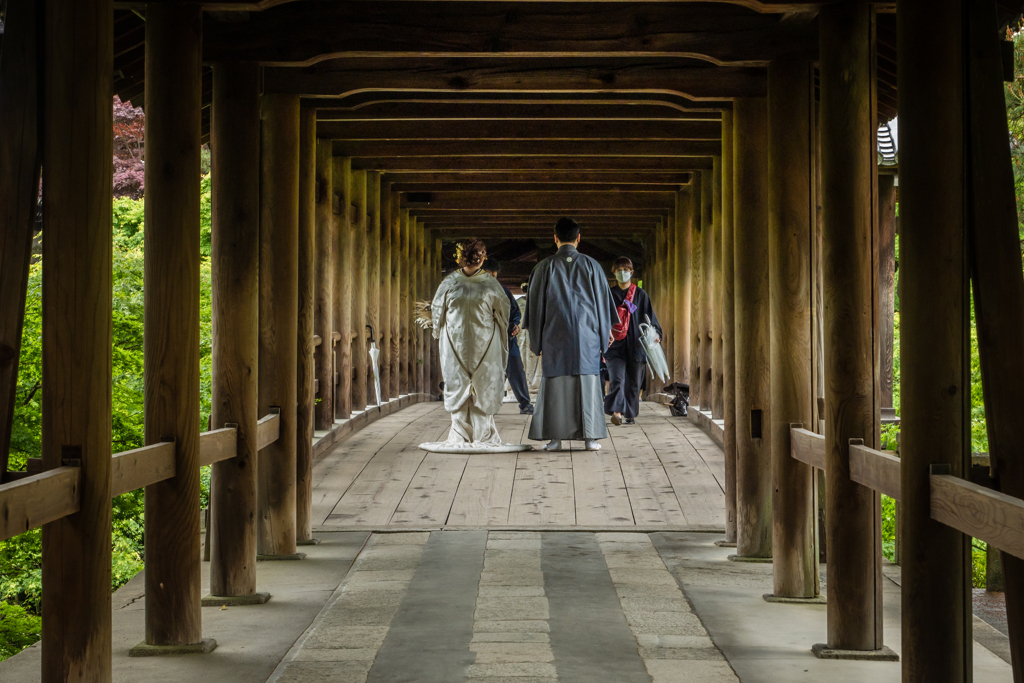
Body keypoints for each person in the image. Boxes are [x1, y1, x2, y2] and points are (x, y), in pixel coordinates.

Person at [524, 217, 618, 451]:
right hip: (587, 335)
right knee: (587, 383)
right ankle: (590, 438)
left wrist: (535, 341)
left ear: (555, 238)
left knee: (556, 385)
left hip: (554, 335)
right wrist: (605, 331)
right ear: (578, 238)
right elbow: (603, 304)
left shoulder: (543, 267)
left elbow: (535, 308)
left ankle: (555, 439)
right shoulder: (592, 266)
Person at [429, 240, 511, 446]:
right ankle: (474, 434)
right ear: (482, 257)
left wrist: (438, 331)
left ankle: (469, 433)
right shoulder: (489, 283)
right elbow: (503, 312)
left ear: (459, 257)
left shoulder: (449, 283)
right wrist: (501, 329)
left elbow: (438, 310)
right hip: (480, 339)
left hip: (458, 339)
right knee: (473, 382)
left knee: (476, 382)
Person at [604, 257, 662, 426]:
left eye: (626, 269)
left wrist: (656, 333)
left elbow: (650, 317)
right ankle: (617, 412)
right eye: (619, 269)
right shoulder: (609, 295)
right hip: (614, 345)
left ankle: (630, 413)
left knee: (634, 381)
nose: (623, 272)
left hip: (636, 345)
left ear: (632, 272)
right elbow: (602, 318)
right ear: (614, 272)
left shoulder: (641, 295)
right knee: (616, 379)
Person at [482, 259, 534, 415]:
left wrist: (516, 325)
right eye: (488, 274)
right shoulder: (476, 291)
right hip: (484, 339)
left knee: (516, 370)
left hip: (507, 338)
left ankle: (525, 404)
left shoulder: (503, 291)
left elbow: (516, 312)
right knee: (486, 372)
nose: (491, 277)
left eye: (494, 274)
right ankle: (486, 404)